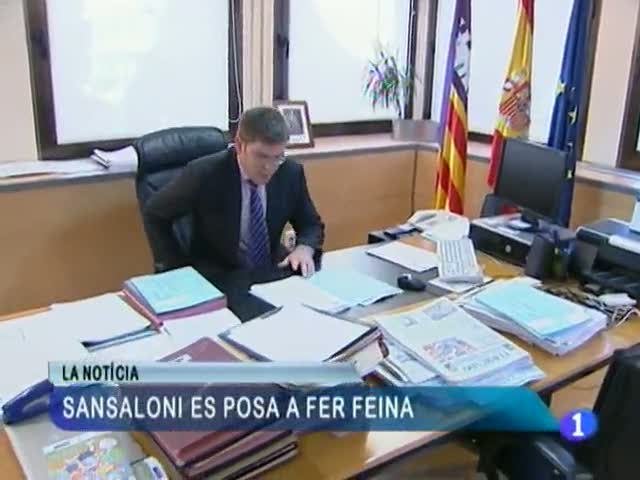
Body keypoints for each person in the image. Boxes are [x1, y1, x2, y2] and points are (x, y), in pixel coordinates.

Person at [143, 107, 324, 280]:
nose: (269, 168)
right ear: (239, 145)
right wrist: (176, 269)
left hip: (269, 271)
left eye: (277, 157)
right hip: (219, 275)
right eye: (261, 156)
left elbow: (311, 224)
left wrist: (304, 248)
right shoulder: (205, 173)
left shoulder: (290, 173)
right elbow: (154, 213)